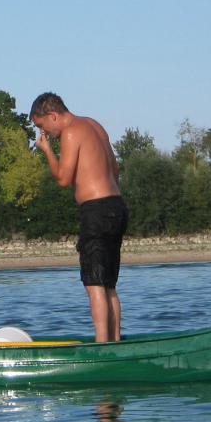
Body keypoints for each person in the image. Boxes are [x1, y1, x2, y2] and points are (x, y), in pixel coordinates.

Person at [31, 92, 128, 343]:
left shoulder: (71, 131)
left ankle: (102, 346)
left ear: (52, 115)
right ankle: (115, 342)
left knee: (94, 283)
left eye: (42, 126)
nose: (45, 133)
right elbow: (115, 170)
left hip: (95, 211)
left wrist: (47, 151)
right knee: (108, 284)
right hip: (116, 207)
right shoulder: (94, 125)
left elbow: (63, 179)